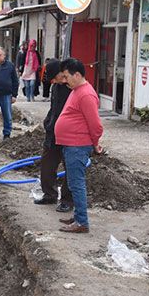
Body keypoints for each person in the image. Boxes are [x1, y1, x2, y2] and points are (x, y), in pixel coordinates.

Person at [55, 58, 104, 233]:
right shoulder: (77, 90)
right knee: (73, 183)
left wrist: (96, 143)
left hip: (77, 145)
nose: (64, 80)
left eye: (66, 76)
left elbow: (96, 125)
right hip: (71, 145)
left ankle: (82, 222)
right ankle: (78, 217)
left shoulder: (86, 94)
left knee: (76, 183)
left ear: (77, 74)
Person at [35, 59, 73, 213]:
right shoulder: (56, 87)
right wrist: (48, 122)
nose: (54, 81)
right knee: (47, 164)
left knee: (70, 168)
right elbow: (54, 108)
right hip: (53, 133)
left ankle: (67, 200)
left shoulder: (72, 88)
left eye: (54, 77)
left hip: (69, 135)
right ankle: (49, 194)